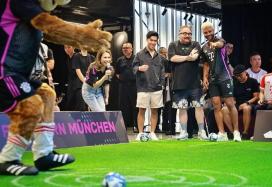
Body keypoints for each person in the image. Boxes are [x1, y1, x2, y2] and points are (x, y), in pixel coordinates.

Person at [0, 0, 112, 176]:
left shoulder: (32, 12)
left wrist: (81, 35)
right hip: (4, 73)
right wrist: (82, 35)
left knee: (46, 95)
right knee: (31, 105)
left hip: (18, 74)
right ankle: (8, 159)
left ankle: (44, 154)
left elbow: (52, 33)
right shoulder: (20, 2)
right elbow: (50, 26)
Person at [201, 22, 241, 142]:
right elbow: (206, 64)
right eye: (205, 32)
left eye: (210, 31)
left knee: (229, 104)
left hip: (225, 77)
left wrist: (215, 44)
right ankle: (222, 133)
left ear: (214, 31)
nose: (208, 34)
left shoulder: (220, 40)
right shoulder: (204, 47)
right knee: (216, 106)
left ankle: (236, 132)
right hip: (213, 80)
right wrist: (205, 78)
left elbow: (220, 44)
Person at [168, 25, 208, 140]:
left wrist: (184, 57)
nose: (187, 35)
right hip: (179, 83)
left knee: (199, 107)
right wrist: (187, 57)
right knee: (182, 108)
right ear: (179, 34)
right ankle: (183, 132)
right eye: (185, 33)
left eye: (189, 33)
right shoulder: (173, 45)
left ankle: (201, 131)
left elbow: (195, 57)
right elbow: (172, 58)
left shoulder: (195, 44)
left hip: (195, 83)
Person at [133, 31, 165, 141]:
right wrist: (139, 68)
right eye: (151, 40)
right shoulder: (139, 54)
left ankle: (152, 132)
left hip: (156, 88)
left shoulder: (160, 57)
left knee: (155, 111)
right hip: (143, 87)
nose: (153, 42)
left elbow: (162, 71)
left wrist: (162, 84)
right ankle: (141, 133)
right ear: (147, 40)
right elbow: (133, 69)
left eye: (155, 40)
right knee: (141, 110)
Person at [222, 65, 259, 139]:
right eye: (236, 76)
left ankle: (245, 133)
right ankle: (232, 132)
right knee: (224, 109)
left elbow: (256, 97)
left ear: (245, 72)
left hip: (249, 103)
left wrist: (247, 103)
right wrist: (232, 101)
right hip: (237, 103)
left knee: (246, 108)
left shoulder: (253, 81)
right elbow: (232, 95)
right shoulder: (234, 82)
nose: (238, 77)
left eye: (240, 75)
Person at [115, 43, 138, 131]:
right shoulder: (119, 60)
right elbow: (117, 73)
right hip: (123, 86)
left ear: (132, 49)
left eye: (127, 48)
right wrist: (123, 79)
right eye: (124, 48)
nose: (125, 49)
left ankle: (136, 125)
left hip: (134, 86)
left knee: (135, 106)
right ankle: (123, 126)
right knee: (123, 106)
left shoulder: (136, 59)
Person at [159, 47, 177, 135]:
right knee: (162, 109)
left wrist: (169, 75)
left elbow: (173, 73)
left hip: (170, 88)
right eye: (162, 53)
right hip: (160, 89)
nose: (164, 54)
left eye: (165, 53)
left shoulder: (170, 62)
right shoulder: (157, 62)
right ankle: (164, 127)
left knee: (170, 108)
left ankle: (171, 128)